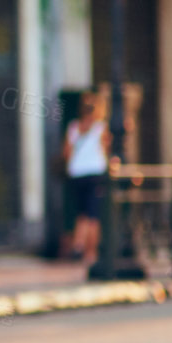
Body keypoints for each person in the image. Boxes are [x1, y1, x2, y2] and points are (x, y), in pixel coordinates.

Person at [65, 92, 111, 267]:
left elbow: (67, 152)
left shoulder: (74, 127)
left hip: (77, 174)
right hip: (94, 173)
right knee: (93, 215)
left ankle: (78, 244)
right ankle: (90, 252)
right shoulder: (100, 128)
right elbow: (105, 148)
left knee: (82, 212)